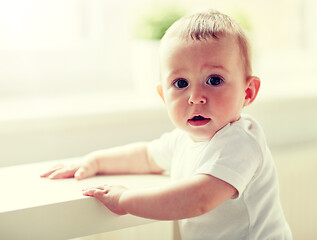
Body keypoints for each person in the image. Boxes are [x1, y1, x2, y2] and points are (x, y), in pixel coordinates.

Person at [41, 9, 292, 240]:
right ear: (163, 96)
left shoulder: (241, 141)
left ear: (248, 92)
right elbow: (145, 156)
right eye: (181, 83)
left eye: (214, 80)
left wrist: (125, 199)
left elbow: (199, 198)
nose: (195, 97)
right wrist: (95, 161)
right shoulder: (184, 139)